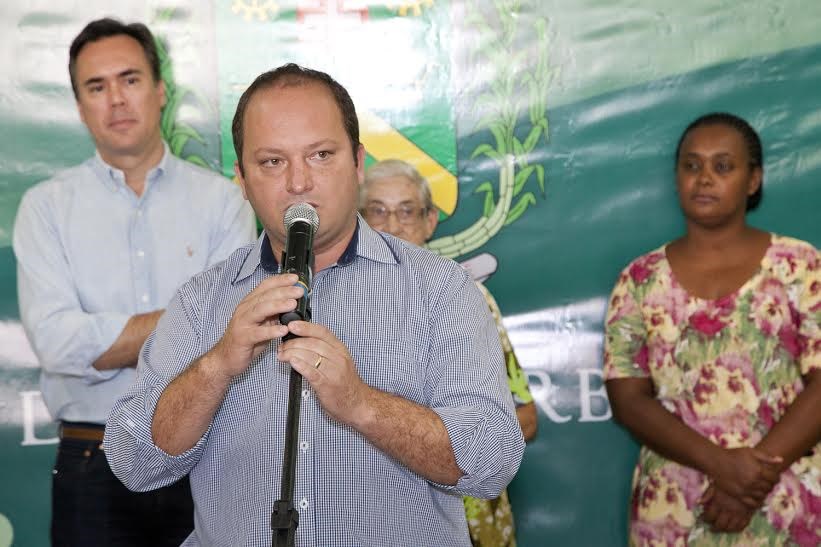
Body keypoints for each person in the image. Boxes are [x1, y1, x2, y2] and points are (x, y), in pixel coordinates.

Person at [103, 63, 524, 546]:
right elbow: (133, 461)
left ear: (358, 162)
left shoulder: (440, 289)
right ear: (241, 177)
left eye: (321, 155)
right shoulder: (203, 301)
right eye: (272, 162)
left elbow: (491, 461)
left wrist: (362, 405)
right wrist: (216, 367)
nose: (299, 182)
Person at [12, 18, 256, 546]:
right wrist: (194, 323)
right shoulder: (45, 210)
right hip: (90, 460)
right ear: (79, 106)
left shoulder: (224, 201)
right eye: (96, 87)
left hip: (207, 451)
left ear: (161, 90)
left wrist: (109, 339)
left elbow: (234, 327)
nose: (116, 100)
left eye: (130, 79)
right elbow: (58, 342)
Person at [603, 112, 820, 546]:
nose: (704, 178)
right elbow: (627, 398)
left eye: (723, 166)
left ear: (753, 180)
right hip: (675, 507)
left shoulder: (801, 266)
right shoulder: (639, 279)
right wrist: (723, 465)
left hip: (783, 497)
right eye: (692, 165)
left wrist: (750, 480)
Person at [360, 158, 537, 547]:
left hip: (468, 513)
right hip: (368, 511)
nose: (392, 225)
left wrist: (440, 444)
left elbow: (524, 417)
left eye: (407, 211)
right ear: (357, 221)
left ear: (430, 220)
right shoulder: (331, 304)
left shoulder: (466, 298)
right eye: (377, 211)